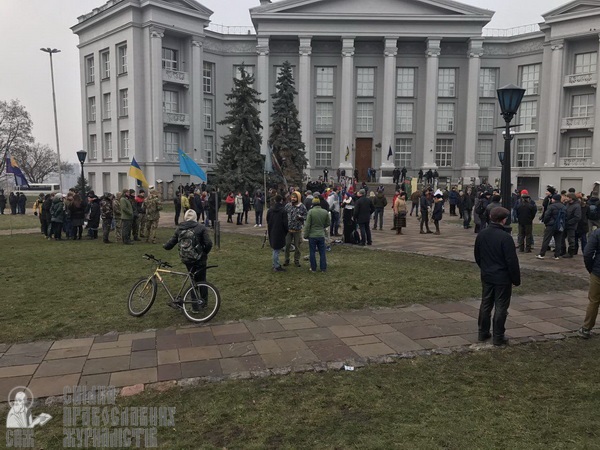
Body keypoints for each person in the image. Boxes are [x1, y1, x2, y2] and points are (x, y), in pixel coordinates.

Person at [474, 207, 521, 346]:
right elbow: (511, 261)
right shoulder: (505, 237)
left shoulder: (482, 234)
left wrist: (485, 268)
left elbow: (477, 255)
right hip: (502, 277)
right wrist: (515, 279)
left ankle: (483, 332)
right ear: (504, 220)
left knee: (486, 303)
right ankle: (498, 336)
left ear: (490, 217)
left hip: (487, 274)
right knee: (501, 306)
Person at [163, 209, 213, 312]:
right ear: (195, 217)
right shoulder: (201, 228)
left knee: (192, 280)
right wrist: (204, 253)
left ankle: (195, 307)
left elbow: (170, 244)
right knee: (202, 279)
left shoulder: (180, 228)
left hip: (187, 259)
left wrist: (165, 246)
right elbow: (208, 243)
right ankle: (203, 303)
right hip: (200, 258)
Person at [579, 225, 600, 338]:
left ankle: (586, 328)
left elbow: (587, 253)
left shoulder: (597, 233)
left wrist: (591, 268)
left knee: (594, 301)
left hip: (598, 271)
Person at [304, 195, 331, 272]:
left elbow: (307, 224)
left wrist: (306, 234)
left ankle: (313, 268)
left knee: (312, 252)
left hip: (312, 235)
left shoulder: (311, 212)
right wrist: (322, 226)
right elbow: (328, 223)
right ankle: (323, 268)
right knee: (322, 252)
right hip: (321, 234)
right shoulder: (325, 212)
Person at [536, 194, 566, 260]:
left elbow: (547, 216)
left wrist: (546, 223)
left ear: (554, 199)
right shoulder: (564, 207)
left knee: (546, 240)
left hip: (551, 225)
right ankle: (557, 255)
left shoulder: (551, 206)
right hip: (559, 225)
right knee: (558, 241)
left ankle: (542, 254)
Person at [284, 191, 307, 267]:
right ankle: (286, 259)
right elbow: (284, 214)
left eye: (295, 197)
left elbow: (306, 216)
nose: (293, 199)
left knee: (297, 246)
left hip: (297, 230)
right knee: (287, 245)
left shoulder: (302, 206)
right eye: (292, 197)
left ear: (298, 198)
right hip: (288, 229)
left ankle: (296, 260)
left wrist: (301, 218)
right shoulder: (288, 205)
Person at [267, 194, 288, 272]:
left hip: (272, 230)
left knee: (275, 249)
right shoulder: (283, 211)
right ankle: (276, 265)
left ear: (275, 200)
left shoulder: (270, 210)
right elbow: (285, 223)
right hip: (280, 231)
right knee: (276, 250)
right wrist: (286, 230)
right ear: (281, 200)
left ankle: (275, 264)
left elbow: (268, 220)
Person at [563, 193, 582, 258]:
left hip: (571, 225)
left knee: (571, 239)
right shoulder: (567, 204)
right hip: (565, 224)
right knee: (562, 237)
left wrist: (569, 222)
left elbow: (577, 217)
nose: (566, 198)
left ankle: (570, 252)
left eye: (567, 197)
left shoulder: (576, 206)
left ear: (571, 198)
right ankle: (562, 250)